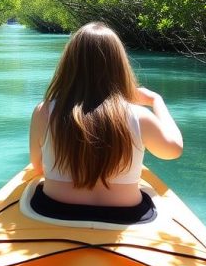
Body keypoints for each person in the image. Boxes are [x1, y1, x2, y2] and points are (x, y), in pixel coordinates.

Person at [28, 22, 184, 224]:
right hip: (125, 215)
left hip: (53, 210)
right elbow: (173, 150)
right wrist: (156, 101)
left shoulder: (44, 112)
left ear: (69, 64)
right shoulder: (139, 116)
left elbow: (38, 168)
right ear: (119, 65)